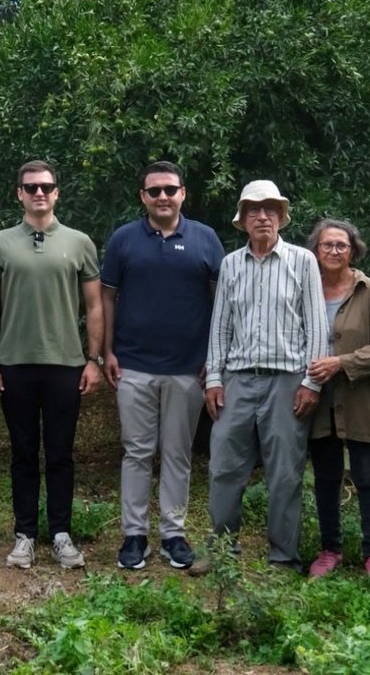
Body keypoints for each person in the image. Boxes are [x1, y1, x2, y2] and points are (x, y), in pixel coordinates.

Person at [193, 180, 329, 575]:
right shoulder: (231, 264)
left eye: (270, 209)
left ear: (281, 217)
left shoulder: (303, 261)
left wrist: (312, 383)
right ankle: (222, 551)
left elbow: (316, 325)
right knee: (223, 467)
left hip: (288, 381)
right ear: (243, 218)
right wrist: (213, 379)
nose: (263, 216)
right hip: (237, 379)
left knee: (285, 472)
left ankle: (283, 557)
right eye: (254, 209)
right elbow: (221, 326)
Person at [0, 160, 103, 569]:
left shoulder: (79, 242)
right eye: (30, 187)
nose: (38, 193)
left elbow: (94, 305)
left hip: (66, 364)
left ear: (56, 193)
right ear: (19, 193)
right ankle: (25, 535)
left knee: (61, 452)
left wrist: (93, 359)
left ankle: (61, 534)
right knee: (23, 453)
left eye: (46, 187)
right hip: (14, 363)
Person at [101, 161, 223, 570]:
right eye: (154, 191)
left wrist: (214, 359)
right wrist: (106, 351)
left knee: (177, 453)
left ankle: (173, 534)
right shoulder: (124, 239)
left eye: (170, 189)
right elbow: (106, 298)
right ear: (143, 197)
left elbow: (221, 303)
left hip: (188, 368)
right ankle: (134, 535)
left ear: (183, 193)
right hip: (133, 364)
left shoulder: (206, 239)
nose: (163, 197)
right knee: (136, 452)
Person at [304, 220, 370, 582]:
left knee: (369, 478)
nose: (333, 251)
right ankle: (330, 549)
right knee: (326, 478)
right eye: (326, 245)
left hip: (363, 398)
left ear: (353, 250)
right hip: (318, 399)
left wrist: (342, 362)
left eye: (341, 245)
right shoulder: (305, 288)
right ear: (315, 251)